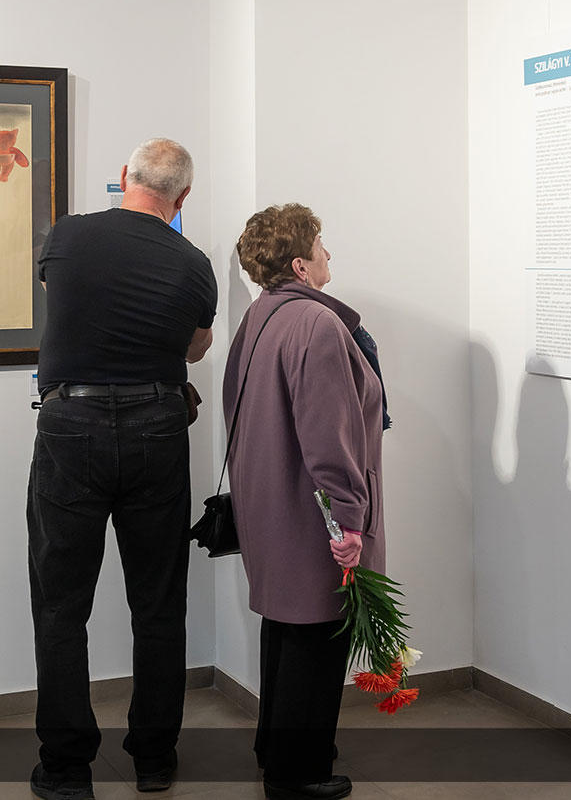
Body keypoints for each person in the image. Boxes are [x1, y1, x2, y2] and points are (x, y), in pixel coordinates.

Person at [27, 138, 216, 800]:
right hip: (157, 426)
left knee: (60, 605)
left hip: (70, 422)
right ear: (182, 197)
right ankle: (154, 760)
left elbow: (60, 297)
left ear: (123, 177)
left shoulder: (67, 236)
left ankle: (65, 769)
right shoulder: (193, 262)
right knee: (158, 603)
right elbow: (195, 349)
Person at [223, 204, 387, 800]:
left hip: (271, 503)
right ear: (300, 263)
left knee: (286, 631)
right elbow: (328, 435)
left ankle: (277, 751)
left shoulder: (261, 315)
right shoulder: (316, 324)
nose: (328, 255)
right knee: (317, 639)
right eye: (321, 245)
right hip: (311, 511)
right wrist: (349, 518)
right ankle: (298, 774)